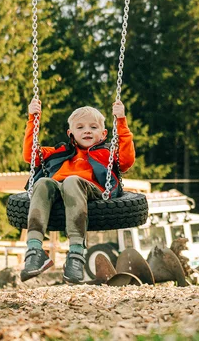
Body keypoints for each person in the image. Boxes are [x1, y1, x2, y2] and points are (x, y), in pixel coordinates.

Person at [20, 99, 135, 283]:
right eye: (80, 127)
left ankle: (76, 255)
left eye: (93, 127)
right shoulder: (60, 152)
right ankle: (35, 251)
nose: (87, 130)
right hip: (59, 190)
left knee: (72, 181)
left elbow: (127, 160)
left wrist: (120, 120)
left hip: (93, 190)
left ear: (103, 133)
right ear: (70, 133)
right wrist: (33, 118)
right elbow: (30, 155)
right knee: (42, 183)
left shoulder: (107, 153)